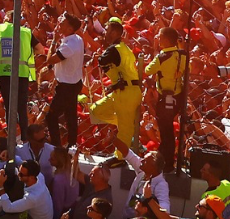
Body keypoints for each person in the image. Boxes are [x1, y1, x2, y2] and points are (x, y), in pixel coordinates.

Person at [90, 17, 143, 155]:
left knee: (125, 131)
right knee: (96, 110)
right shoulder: (125, 48)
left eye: (107, 30)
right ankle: (122, 120)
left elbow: (103, 60)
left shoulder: (115, 49)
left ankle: (120, 158)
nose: (105, 33)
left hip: (127, 91)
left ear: (114, 33)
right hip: (121, 91)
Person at [146, 25, 188, 175]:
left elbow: (147, 70)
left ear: (166, 39)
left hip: (165, 98)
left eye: (160, 36)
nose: (158, 38)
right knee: (169, 130)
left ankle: (166, 162)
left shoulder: (162, 57)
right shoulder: (183, 55)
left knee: (166, 132)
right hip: (178, 96)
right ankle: (167, 159)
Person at [46, 13, 85, 148]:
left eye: (62, 23)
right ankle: (72, 145)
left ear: (69, 28)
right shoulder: (77, 39)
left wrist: (53, 40)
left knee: (51, 117)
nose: (59, 24)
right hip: (73, 83)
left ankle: (57, 146)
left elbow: (50, 60)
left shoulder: (69, 45)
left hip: (67, 87)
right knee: (70, 117)